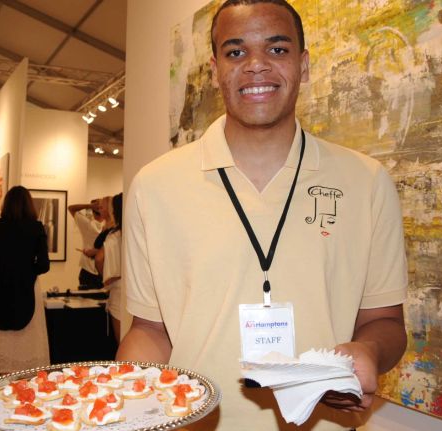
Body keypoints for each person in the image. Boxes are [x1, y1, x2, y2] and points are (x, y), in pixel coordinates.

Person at [116, 1, 408, 430]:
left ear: (303, 64)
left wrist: (369, 352)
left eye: (276, 49)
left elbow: (385, 322)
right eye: (235, 52)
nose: (256, 66)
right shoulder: (154, 186)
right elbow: (150, 330)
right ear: (215, 70)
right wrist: (121, 401)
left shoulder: (366, 181)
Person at [0, 185, 51, 374]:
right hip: (28, 285)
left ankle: (1, 371)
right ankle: (27, 377)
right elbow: (43, 264)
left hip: (1, 285)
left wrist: (0, 272)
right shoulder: (36, 228)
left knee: (3, 335)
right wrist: (27, 271)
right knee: (28, 336)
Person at [96, 193, 123, 341]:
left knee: (123, 344)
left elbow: (99, 258)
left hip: (119, 290)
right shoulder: (141, 232)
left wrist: (105, 275)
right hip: (140, 292)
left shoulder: (115, 235)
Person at [68, 199, 106, 290]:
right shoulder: (89, 224)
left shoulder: (89, 224)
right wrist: (90, 206)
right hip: (93, 271)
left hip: (98, 272)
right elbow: (70, 208)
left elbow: (71, 208)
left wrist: (89, 206)